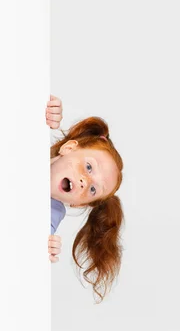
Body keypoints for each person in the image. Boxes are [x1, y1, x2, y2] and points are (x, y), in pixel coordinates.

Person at [46, 96, 125, 303]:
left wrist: (43, 246)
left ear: (79, 204)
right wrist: (42, 112)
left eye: (92, 189)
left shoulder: (53, 212)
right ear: (68, 148)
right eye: (88, 167)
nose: (84, 181)